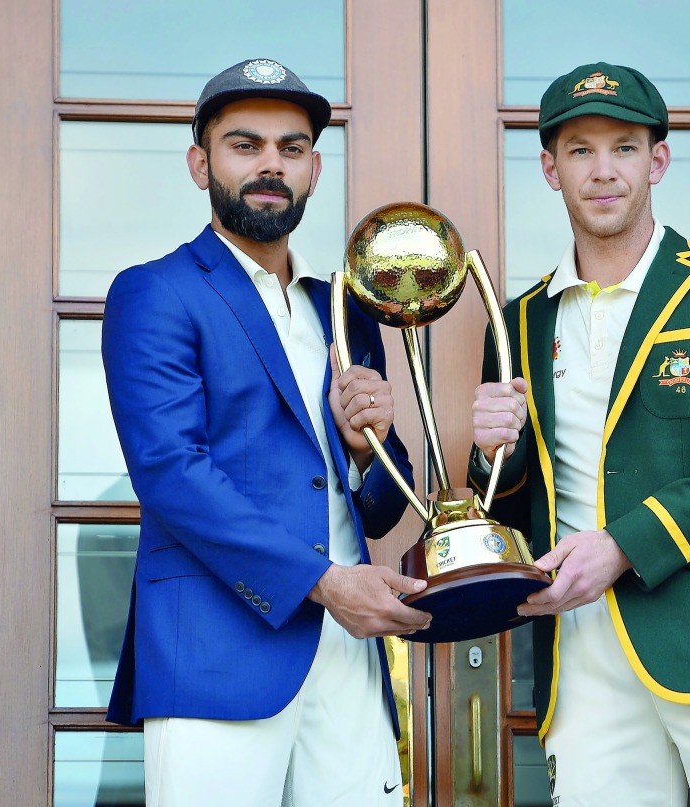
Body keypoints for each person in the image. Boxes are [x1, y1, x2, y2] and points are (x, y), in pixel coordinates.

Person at [468, 62, 690, 806]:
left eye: (624, 148)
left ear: (657, 161)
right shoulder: (518, 321)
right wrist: (488, 453)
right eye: (580, 150)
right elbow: (509, 509)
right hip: (582, 659)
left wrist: (624, 544)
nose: (603, 170)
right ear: (551, 169)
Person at [102, 58, 431, 806]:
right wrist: (327, 584)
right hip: (216, 652)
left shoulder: (347, 309)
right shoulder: (155, 291)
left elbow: (382, 507)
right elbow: (172, 473)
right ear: (201, 164)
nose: (270, 165)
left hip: (347, 655)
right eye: (244, 145)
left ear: (314, 169)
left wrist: (367, 448)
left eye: (291, 148)